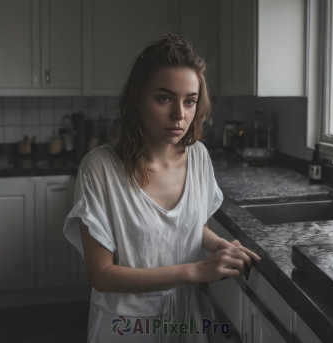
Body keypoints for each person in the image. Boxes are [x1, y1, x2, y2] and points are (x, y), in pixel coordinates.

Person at [63, 34, 261, 343]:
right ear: (138, 99)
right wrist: (195, 270)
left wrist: (219, 245)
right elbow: (102, 275)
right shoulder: (99, 168)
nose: (179, 115)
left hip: (183, 320)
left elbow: (191, 227)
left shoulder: (198, 157)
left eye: (190, 101)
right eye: (164, 98)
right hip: (125, 327)